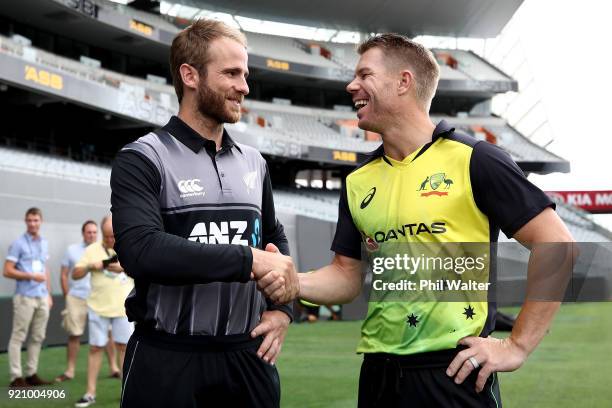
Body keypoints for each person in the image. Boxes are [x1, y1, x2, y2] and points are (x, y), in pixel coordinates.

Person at [268, 34, 575, 407]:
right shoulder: (358, 180)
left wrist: (518, 344)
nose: (351, 85)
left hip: (454, 373)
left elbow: (557, 244)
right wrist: (293, 282)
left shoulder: (476, 159)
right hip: (378, 376)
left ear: (403, 82)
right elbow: (347, 276)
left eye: (365, 74)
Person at [110, 19, 298, 408]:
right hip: (166, 356)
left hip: (248, 356)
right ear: (190, 75)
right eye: (231, 73)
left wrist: (282, 310)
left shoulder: (255, 162)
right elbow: (141, 251)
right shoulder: (142, 157)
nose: (244, 86)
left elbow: (273, 240)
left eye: (244, 74)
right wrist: (248, 259)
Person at [72, 215, 134, 407]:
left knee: (125, 349)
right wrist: (92, 266)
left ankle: (127, 392)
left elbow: (144, 270)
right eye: (107, 236)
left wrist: (123, 269)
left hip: (124, 309)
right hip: (97, 308)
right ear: (101, 233)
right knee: (95, 348)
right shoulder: (91, 250)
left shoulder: (129, 246)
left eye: (113, 236)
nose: (110, 240)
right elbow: (75, 274)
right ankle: (90, 393)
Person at [55, 220, 120, 383]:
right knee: (74, 334)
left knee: (109, 335)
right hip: (77, 297)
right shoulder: (72, 250)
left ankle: (114, 367)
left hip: (99, 299)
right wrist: (66, 296)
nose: (91, 235)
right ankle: (70, 370)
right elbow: (65, 274)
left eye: (93, 232)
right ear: (83, 233)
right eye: (88, 232)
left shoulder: (107, 250)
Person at [3, 207, 52, 388]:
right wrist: (31, 276)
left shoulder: (44, 243)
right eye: (29, 220)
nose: (33, 224)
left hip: (41, 297)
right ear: (26, 222)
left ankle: (31, 374)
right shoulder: (18, 244)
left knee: (38, 337)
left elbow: (45, 269)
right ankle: (16, 377)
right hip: (25, 297)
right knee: (18, 337)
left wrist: (48, 293)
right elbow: (7, 270)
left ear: (41, 221)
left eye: (36, 220)